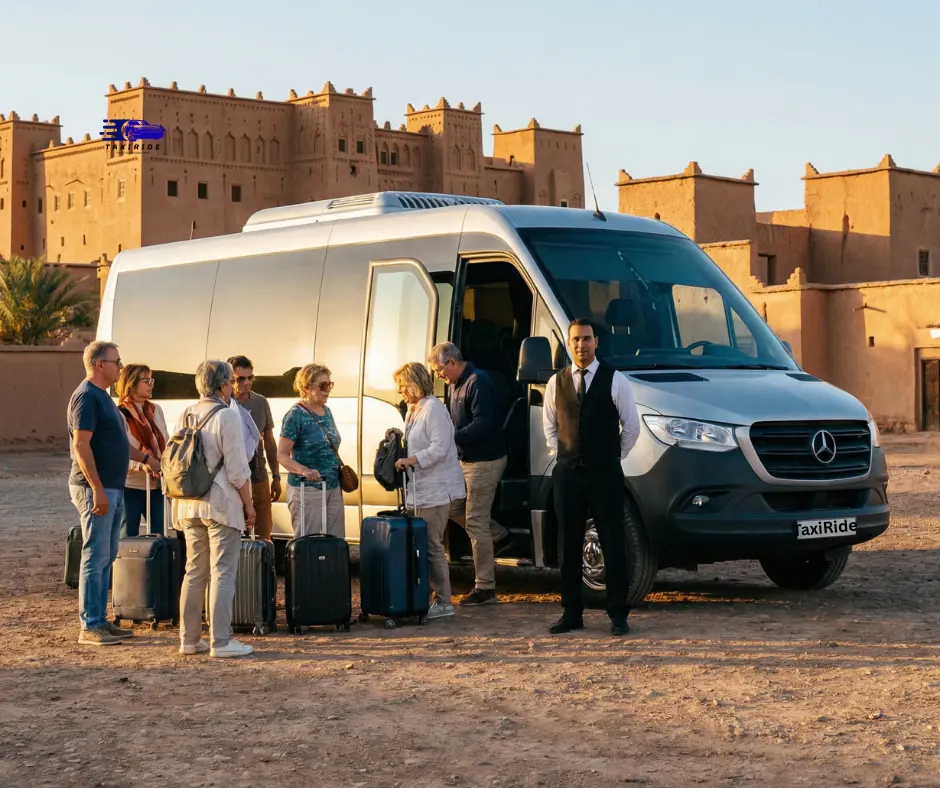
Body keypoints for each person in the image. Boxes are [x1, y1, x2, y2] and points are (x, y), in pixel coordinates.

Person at [542, 318, 642, 636]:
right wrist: (565, 455)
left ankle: (618, 613)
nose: (581, 345)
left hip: (605, 474)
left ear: (596, 341)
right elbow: (549, 428)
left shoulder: (616, 380)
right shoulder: (556, 382)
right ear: (568, 344)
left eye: (586, 339)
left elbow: (632, 427)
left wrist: (612, 457)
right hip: (568, 474)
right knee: (568, 544)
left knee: (613, 542)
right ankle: (572, 612)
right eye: (575, 340)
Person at [67, 341, 161, 646]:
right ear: (99, 365)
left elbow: (117, 443)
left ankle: (100, 621)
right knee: (95, 556)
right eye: (116, 362)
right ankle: (89, 626)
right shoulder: (86, 397)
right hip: (96, 488)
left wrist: (147, 459)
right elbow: (81, 446)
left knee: (106, 557)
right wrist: (97, 490)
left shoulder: (102, 398)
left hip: (112, 486)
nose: (121, 367)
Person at [173, 359, 256, 658]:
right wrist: (249, 505)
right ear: (224, 384)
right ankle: (220, 641)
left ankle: (189, 639)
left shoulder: (185, 413)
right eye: (232, 382)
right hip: (220, 502)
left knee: (194, 571)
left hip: (188, 502)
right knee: (223, 572)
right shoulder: (227, 416)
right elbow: (237, 470)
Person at [428, 342, 513, 607]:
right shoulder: (455, 384)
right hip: (466, 459)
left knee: (475, 521)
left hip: (485, 460)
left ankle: (485, 587)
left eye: (439, 370)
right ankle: (498, 534)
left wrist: (451, 438)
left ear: (452, 362)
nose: (439, 376)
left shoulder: (478, 382)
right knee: (452, 507)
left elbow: (484, 423)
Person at [391, 362, 466, 620]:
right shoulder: (414, 409)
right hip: (420, 489)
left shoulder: (433, 408)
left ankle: (444, 600)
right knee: (424, 543)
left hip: (435, 489)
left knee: (433, 544)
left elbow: (440, 447)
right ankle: (428, 596)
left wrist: (411, 460)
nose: (399, 389)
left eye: (402, 384)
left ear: (414, 382)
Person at [277, 364, 345, 538]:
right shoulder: (295, 415)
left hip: (332, 486)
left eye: (330, 385)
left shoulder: (326, 411)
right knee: (308, 543)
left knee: (335, 542)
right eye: (323, 386)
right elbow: (281, 455)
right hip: (308, 489)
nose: (327, 390)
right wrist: (304, 471)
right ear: (307, 388)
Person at [228, 355, 281, 540]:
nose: (247, 383)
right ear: (229, 379)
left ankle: (263, 569)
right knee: (234, 536)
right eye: (241, 379)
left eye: (250, 378)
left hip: (258, 476)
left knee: (264, 533)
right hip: (232, 481)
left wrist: (275, 475)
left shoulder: (260, 402)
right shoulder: (222, 404)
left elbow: (269, 440)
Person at [115, 364, 168, 538]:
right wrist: (142, 465)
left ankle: (157, 566)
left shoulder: (155, 410)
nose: (151, 384)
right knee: (127, 536)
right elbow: (118, 451)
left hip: (155, 485)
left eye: (151, 380)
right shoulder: (119, 414)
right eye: (146, 381)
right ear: (131, 384)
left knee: (159, 535)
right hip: (129, 485)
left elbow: (165, 443)